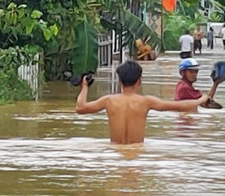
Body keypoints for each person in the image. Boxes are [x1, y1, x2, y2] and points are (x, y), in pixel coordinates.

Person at [76, 60, 208, 144]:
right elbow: (180, 106)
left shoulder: (109, 100)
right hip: (138, 155)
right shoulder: (146, 101)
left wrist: (84, 87)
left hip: (114, 154)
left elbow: (80, 108)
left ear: (119, 81)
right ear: (139, 81)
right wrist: (202, 99)